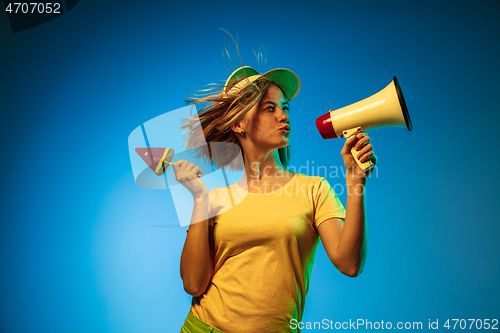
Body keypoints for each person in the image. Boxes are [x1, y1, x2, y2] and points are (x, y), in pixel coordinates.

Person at [174, 66, 376, 333]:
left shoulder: (314, 189)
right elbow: (193, 283)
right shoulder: (213, 199)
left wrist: (355, 183)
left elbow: (350, 264)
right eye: (269, 108)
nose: (284, 116)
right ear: (238, 124)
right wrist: (199, 199)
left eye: (285, 107)